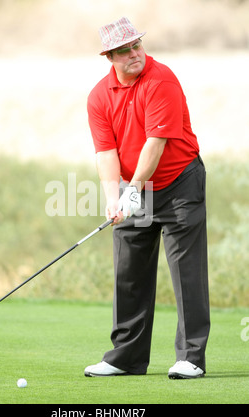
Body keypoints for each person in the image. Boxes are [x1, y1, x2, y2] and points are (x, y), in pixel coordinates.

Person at [85, 17, 210, 379]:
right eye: (124, 51)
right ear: (110, 57)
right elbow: (105, 153)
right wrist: (114, 198)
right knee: (129, 270)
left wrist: (133, 191)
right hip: (135, 186)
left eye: (136, 45)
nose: (134, 54)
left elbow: (155, 145)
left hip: (179, 182)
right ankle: (125, 358)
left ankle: (191, 358)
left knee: (186, 270)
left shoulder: (161, 79)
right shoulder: (98, 97)